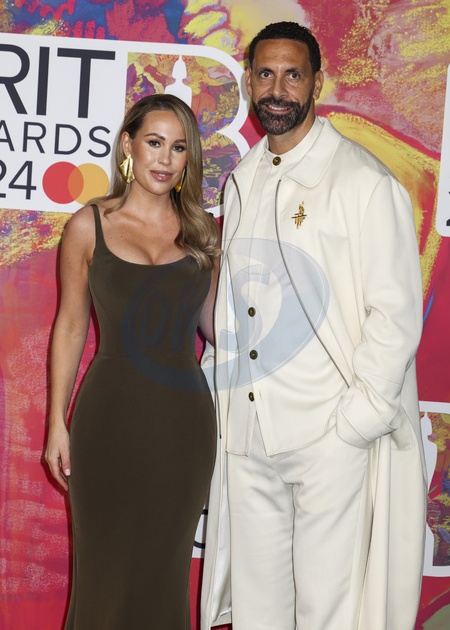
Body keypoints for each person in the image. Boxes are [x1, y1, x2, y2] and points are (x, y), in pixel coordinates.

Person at [200, 21, 427, 630]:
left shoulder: (363, 181)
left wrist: (354, 424)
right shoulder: (244, 177)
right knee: (259, 612)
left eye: (292, 75)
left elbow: (395, 316)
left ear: (317, 84)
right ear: (248, 83)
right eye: (265, 75)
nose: (277, 90)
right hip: (249, 433)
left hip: (328, 434)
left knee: (330, 611)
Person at [45, 93, 220, 630]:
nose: (165, 159)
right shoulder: (88, 224)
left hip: (183, 428)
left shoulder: (203, 233)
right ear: (128, 145)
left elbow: (217, 329)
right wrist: (56, 423)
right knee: (103, 580)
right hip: (107, 423)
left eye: (178, 148)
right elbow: (70, 325)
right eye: (154, 143)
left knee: (162, 578)